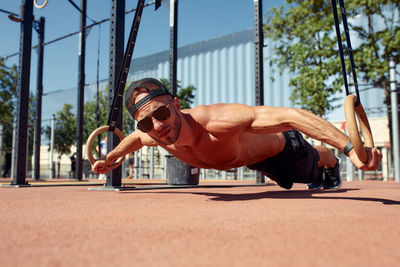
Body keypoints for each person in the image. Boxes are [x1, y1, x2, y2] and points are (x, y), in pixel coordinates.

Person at [92, 78, 382, 190]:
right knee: (284, 183)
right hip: (254, 161)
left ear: (176, 105)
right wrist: (113, 156)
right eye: (146, 122)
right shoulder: (153, 134)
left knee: (312, 175)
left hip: (285, 151)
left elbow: (292, 117)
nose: (156, 126)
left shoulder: (217, 122)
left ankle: (329, 159)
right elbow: (134, 139)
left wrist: (349, 148)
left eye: (162, 113)